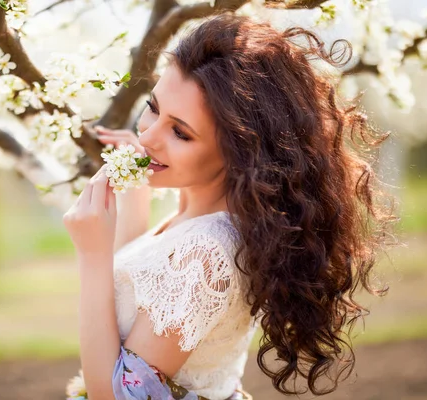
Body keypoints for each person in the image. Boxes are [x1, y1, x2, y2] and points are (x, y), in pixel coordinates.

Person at [63, 12, 395, 400]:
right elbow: (138, 300)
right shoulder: (200, 219)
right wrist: (135, 196)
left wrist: (92, 254)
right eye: (153, 108)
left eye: (180, 132)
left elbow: (118, 395)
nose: (148, 136)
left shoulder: (206, 253)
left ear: (239, 152)